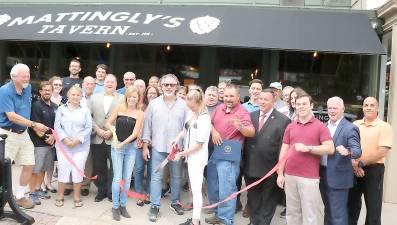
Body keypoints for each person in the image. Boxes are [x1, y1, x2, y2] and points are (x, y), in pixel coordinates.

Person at [276, 93, 334, 225]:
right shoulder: (290, 126)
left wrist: (309, 148)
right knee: (292, 212)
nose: (301, 106)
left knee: (310, 215)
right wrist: (280, 173)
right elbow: (284, 150)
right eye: (298, 104)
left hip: (309, 178)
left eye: (304, 104)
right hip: (290, 175)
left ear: (311, 106)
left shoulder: (320, 126)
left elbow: (330, 149)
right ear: (295, 106)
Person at [205, 83, 255, 225]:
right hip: (216, 152)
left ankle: (226, 219)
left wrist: (241, 126)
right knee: (213, 186)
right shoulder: (219, 108)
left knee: (227, 188)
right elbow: (208, 122)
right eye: (226, 96)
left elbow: (251, 132)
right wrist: (213, 131)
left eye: (231, 96)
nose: (228, 99)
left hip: (230, 156)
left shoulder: (243, 112)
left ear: (238, 96)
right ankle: (217, 214)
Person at [0, 63, 48, 209]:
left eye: (28, 75)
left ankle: (20, 196)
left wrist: (34, 127)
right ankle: (1, 199)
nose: (27, 78)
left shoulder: (27, 88)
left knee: (29, 164)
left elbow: (27, 109)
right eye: (23, 76)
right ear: (13, 76)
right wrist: (34, 124)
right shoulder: (4, 91)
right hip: (7, 134)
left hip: (24, 133)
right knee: (3, 169)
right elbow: (12, 116)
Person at [142, 74, 188, 222]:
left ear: (177, 86)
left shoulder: (184, 105)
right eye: (166, 85)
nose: (168, 87)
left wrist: (185, 150)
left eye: (172, 85)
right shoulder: (153, 104)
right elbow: (147, 127)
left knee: (176, 177)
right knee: (156, 177)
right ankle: (155, 205)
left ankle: (175, 202)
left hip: (177, 150)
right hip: (157, 147)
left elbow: (187, 129)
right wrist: (145, 146)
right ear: (161, 86)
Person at [244, 89, 290, 225]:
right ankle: (254, 222)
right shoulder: (250, 116)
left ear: (273, 101)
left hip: (271, 170)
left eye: (266, 99)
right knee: (253, 200)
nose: (262, 102)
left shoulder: (284, 120)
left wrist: (280, 170)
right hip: (251, 168)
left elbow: (284, 147)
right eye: (260, 99)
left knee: (268, 202)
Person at [349, 97, 393, 225]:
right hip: (353, 169)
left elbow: (382, 151)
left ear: (378, 108)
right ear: (362, 107)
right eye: (366, 105)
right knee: (351, 207)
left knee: (373, 209)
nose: (368, 107)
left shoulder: (384, 126)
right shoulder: (355, 125)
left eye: (372, 105)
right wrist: (355, 165)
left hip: (374, 170)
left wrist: (361, 163)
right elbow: (349, 146)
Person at [171, 87, 211, 225]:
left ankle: (195, 221)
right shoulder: (191, 113)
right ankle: (195, 219)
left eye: (191, 104)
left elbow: (199, 144)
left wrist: (181, 153)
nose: (188, 106)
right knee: (194, 188)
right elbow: (185, 129)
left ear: (198, 102)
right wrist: (177, 138)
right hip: (190, 156)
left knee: (196, 189)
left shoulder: (204, 118)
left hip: (197, 158)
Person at [319, 96, 361, 225]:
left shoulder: (350, 128)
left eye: (335, 108)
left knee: (338, 215)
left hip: (339, 178)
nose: (331, 111)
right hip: (323, 174)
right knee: (328, 212)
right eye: (329, 108)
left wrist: (348, 151)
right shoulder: (323, 126)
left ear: (342, 109)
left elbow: (358, 151)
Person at [105, 86, 144, 221]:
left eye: (135, 96)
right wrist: (113, 129)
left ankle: (123, 205)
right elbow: (108, 122)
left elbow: (135, 134)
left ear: (138, 98)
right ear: (126, 96)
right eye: (130, 96)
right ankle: (115, 207)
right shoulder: (119, 108)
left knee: (127, 179)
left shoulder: (140, 113)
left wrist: (122, 144)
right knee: (117, 178)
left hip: (130, 148)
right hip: (116, 148)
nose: (132, 99)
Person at [53, 85, 92, 207]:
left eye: (78, 95)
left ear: (81, 96)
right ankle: (60, 196)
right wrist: (65, 139)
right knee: (63, 170)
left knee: (78, 171)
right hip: (64, 146)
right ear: (68, 96)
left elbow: (88, 128)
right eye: (73, 94)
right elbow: (57, 126)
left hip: (80, 147)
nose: (75, 97)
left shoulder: (85, 110)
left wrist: (77, 140)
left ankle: (77, 196)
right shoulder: (61, 109)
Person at [89, 74, 124, 202]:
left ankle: (111, 191)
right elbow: (89, 116)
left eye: (112, 82)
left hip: (114, 138)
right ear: (104, 83)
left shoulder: (122, 98)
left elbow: (123, 118)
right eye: (107, 81)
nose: (109, 83)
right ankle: (101, 190)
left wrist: (111, 130)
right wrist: (97, 129)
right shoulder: (94, 98)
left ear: (116, 84)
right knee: (99, 166)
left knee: (114, 167)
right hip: (97, 138)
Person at [28, 81, 57, 205]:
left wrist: (53, 138)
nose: (47, 92)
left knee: (44, 169)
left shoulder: (55, 106)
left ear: (52, 91)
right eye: (44, 90)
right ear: (40, 92)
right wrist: (47, 138)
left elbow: (58, 125)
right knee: (35, 169)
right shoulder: (36, 106)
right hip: (38, 143)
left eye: (49, 90)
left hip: (51, 143)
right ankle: (32, 193)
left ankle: (39, 189)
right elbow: (34, 126)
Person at [238, 79, 263, 217]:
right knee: (238, 175)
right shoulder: (242, 107)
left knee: (251, 176)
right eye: (253, 88)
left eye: (258, 88)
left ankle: (250, 204)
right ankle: (236, 201)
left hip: (257, 146)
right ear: (249, 90)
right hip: (242, 145)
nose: (255, 91)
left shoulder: (263, 106)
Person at [134, 85, 160, 206]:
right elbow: (136, 125)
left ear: (158, 95)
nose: (152, 95)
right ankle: (139, 194)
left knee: (151, 170)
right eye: (150, 93)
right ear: (146, 94)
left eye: (154, 93)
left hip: (155, 144)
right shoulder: (140, 107)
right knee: (139, 169)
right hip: (140, 142)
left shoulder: (161, 107)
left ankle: (149, 193)